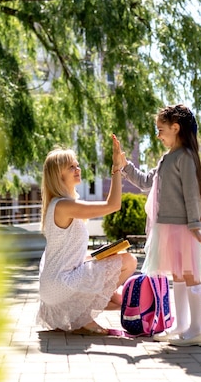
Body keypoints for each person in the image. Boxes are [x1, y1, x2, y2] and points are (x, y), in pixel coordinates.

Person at [119, 104, 201, 346]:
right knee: (178, 276)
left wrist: (195, 225)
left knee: (191, 275)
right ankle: (182, 326)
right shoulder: (166, 158)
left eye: (161, 130)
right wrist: (125, 165)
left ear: (176, 127)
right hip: (167, 228)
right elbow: (145, 182)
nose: (157, 135)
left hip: (183, 227)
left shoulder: (186, 158)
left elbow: (192, 194)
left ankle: (197, 329)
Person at [36, 134, 138, 336]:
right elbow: (113, 205)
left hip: (51, 287)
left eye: (77, 165)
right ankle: (83, 319)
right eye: (71, 167)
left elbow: (67, 255)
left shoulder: (58, 204)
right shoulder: (64, 205)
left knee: (117, 300)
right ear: (59, 175)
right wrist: (116, 169)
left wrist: (97, 256)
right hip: (60, 285)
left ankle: (80, 318)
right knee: (129, 261)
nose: (78, 169)